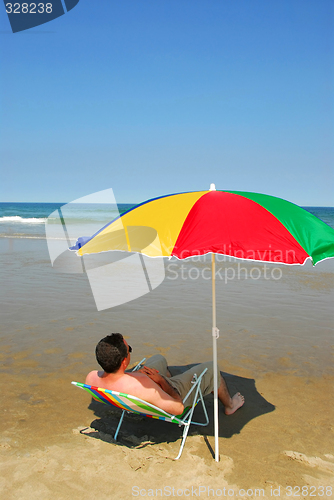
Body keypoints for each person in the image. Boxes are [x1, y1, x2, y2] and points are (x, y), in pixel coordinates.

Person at [86, 333, 245, 416]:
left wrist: (132, 374)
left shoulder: (92, 377)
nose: (130, 352)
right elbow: (178, 408)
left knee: (158, 359)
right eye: (129, 350)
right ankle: (230, 405)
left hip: (133, 387)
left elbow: (117, 378)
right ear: (123, 362)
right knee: (212, 367)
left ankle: (167, 377)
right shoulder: (144, 387)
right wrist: (162, 382)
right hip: (170, 393)